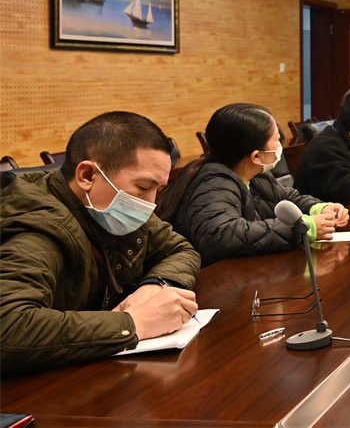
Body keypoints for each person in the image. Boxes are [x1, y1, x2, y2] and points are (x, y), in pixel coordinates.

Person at [0, 111, 200, 375]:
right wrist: (134, 323)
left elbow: (181, 249)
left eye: (158, 190)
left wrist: (154, 285)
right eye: (143, 187)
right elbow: (8, 327)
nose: (151, 203)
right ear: (87, 175)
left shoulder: (110, 207)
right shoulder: (35, 230)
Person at [160, 104, 349, 266]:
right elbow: (221, 237)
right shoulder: (213, 183)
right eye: (277, 140)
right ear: (256, 156)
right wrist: (302, 228)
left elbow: (289, 198)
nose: (280, 146)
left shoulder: (257, 175)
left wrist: (320, 208)